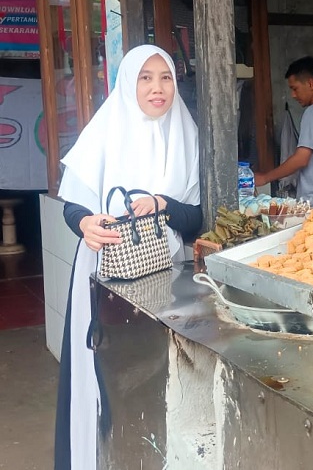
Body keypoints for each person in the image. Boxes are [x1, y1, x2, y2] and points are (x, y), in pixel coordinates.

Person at [54, 45, 201, 470]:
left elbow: (194, 219)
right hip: (106, 276)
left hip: (163, 277)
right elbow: (72, 205)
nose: (158, 88)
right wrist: (85, 224)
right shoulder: (106, 130)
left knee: (156, 386)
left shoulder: (186, 135)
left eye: (166, 77)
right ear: (127, 84)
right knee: (103, 378)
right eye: (145, 77)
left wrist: (162, 202)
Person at [254, 56, 313, 208]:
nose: (293, 95)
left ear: (311, 84)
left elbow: (301, 158)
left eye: (295, 88)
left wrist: (265, 178)